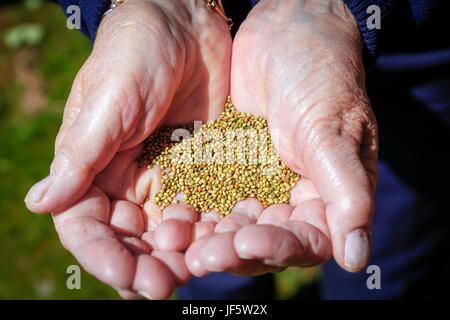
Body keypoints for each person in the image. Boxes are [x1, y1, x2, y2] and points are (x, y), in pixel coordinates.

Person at [25, 0, 450, 299]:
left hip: (406, 44)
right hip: (188, 63)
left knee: (383, 235)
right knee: (201, 256)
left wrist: (336, 5)